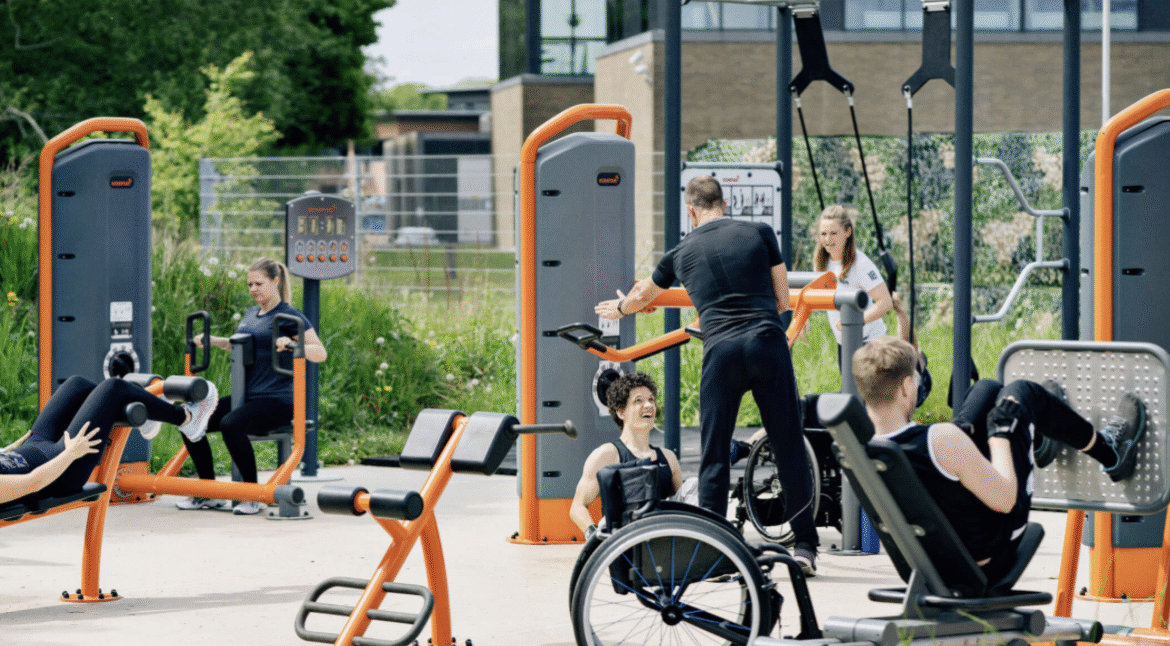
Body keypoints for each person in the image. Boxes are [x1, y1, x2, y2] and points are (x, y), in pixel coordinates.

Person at [595, 176, 819, 575]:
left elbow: (644, 293)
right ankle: (804, 548)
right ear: (725, 203)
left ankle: (717, 552)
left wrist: (622, 310)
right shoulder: (760, 232)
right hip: (766, 343)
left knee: (714, 454)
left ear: (691, 211)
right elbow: (783, 299)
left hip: (722, 353)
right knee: (788, 445)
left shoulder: (679, 253)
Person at [852, 337, 1147, 582]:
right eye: (916, 379)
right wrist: (1001, 435)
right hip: (989, 559)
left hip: (930, 566)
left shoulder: (860, 451)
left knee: (987, 389)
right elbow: (1006, 500)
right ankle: (1111, 453)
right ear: (905, 387)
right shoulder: (940, 440)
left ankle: (1036, 435)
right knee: (1021, 394)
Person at [176, 257, 328, 515]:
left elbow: (320, 352)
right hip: (248, 397)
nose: (253, 289)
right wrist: (215, 341)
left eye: (259, 283)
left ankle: (251, 495)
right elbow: (242, 343)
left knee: (231, 424)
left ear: (276, 282)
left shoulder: (289, 316)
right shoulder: (250, 314)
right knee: (188, 417)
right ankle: (207, 492)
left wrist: (292, 345)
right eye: (249, 284)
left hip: (278, 401)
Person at [1, 376, 216, 506]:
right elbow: (34, 482)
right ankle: (185, 419)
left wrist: (10, 448)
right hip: (60, 470)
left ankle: (151, 411)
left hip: (32, 449)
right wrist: (71, 453)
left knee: (77, 384)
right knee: (113, 388)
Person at [569, 372, 684, 537]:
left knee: (693, 485)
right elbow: (577, 507)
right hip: (626, 536)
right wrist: (594, 536)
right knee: (607, 523)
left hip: (662, 534)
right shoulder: (606, 455)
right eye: (639, 400)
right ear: (621, 412)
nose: (649, 405)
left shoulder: (668, 458)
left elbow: (684, 502)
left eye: (651, 400)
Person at [808, 205, 894, 367]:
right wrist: (804, 315)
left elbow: (885, 302)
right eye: (823, 234)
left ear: (848, 232)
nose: (827, 239)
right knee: (850, 392)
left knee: (869, 392)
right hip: (845, 343)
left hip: (871, 343)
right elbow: (816, 296)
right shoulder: (821, 262)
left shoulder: (860, 263)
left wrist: (854, 321)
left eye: (833, 233)